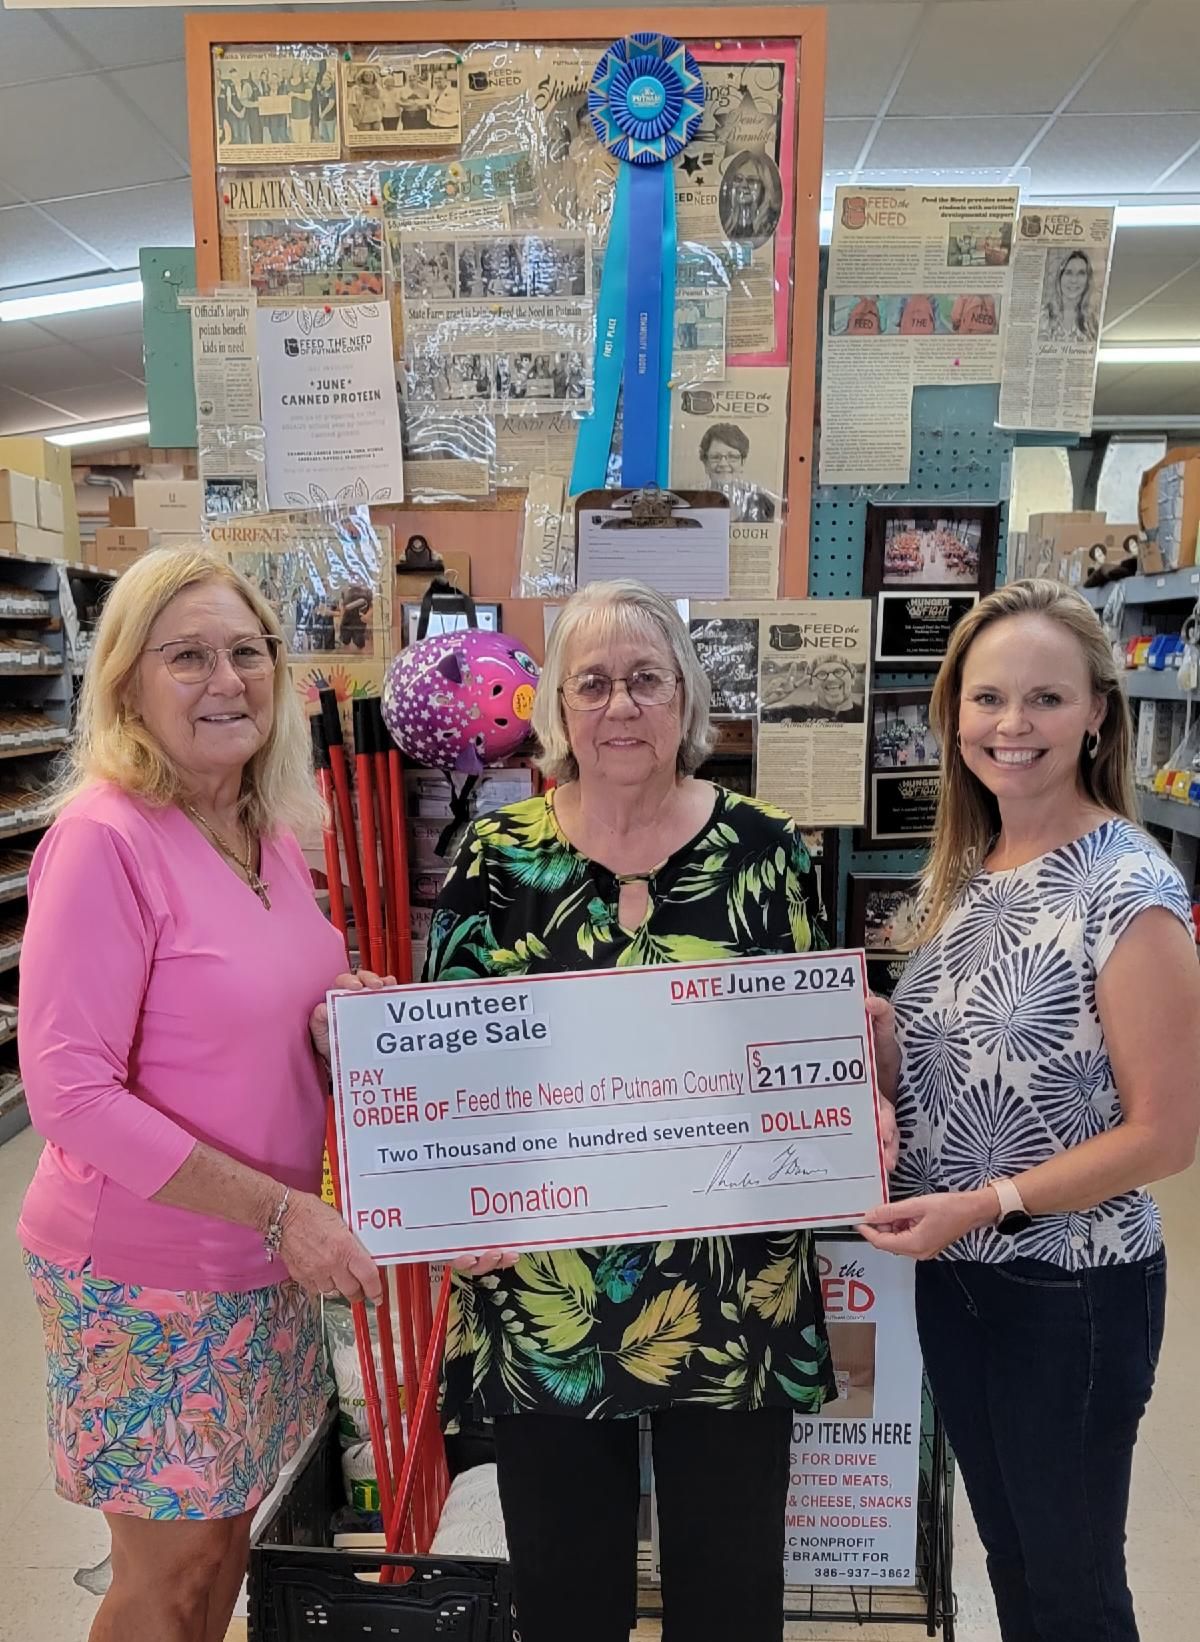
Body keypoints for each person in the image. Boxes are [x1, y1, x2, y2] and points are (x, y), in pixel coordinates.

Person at [424, 580, 899, 1642]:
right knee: (565, 1601)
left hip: (732, 1285)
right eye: (592, 682)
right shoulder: (498, 858)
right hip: (543, 1284)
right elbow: (447, 1072)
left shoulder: (766, 848)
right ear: (558, 707)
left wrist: (858, 1087)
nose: (621, 705)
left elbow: (808, 1046)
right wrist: (446, 1204)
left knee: (731, 1596)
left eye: (647, 678)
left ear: (686, 697)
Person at [17, 547, 387, 1642]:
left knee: (223, 1550)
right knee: (168, 1579)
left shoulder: (264, 830)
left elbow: (248, 1006)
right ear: (128, 683)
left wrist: (337, 1017)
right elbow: (70, 1092)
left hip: (261, 1258)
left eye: (247, 652)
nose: (227, 681)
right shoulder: (104, 840)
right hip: (147, 1271)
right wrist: (281, 1213)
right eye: (187, 657)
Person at [860, 578, 1200, 1642]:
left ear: (1097, 711)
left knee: (1072, 1584)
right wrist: (881, 1041)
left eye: (1046, 698)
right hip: (961, 1278)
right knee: (1012, 1555)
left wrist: (990, 1202)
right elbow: (966, 1067)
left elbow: (1165, 1134)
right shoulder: (968, 868)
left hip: (1073, 1289)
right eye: (989, 697)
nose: (1013, 725)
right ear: (954, 714)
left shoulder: (1128, 889)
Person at [698, 423, 776, 524]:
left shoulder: (761, 504)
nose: (723, 464)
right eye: (715, 457)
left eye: (732, 457)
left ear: (742, 462)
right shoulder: (693, 505)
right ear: (705, 463)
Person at [1041, 249, 1098, 343]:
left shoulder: (1093, 321)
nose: (1074, 280)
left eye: (1081, 273)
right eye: (1068, 272)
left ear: (1088, 280)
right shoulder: (1043, 314)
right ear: (1060, 277)